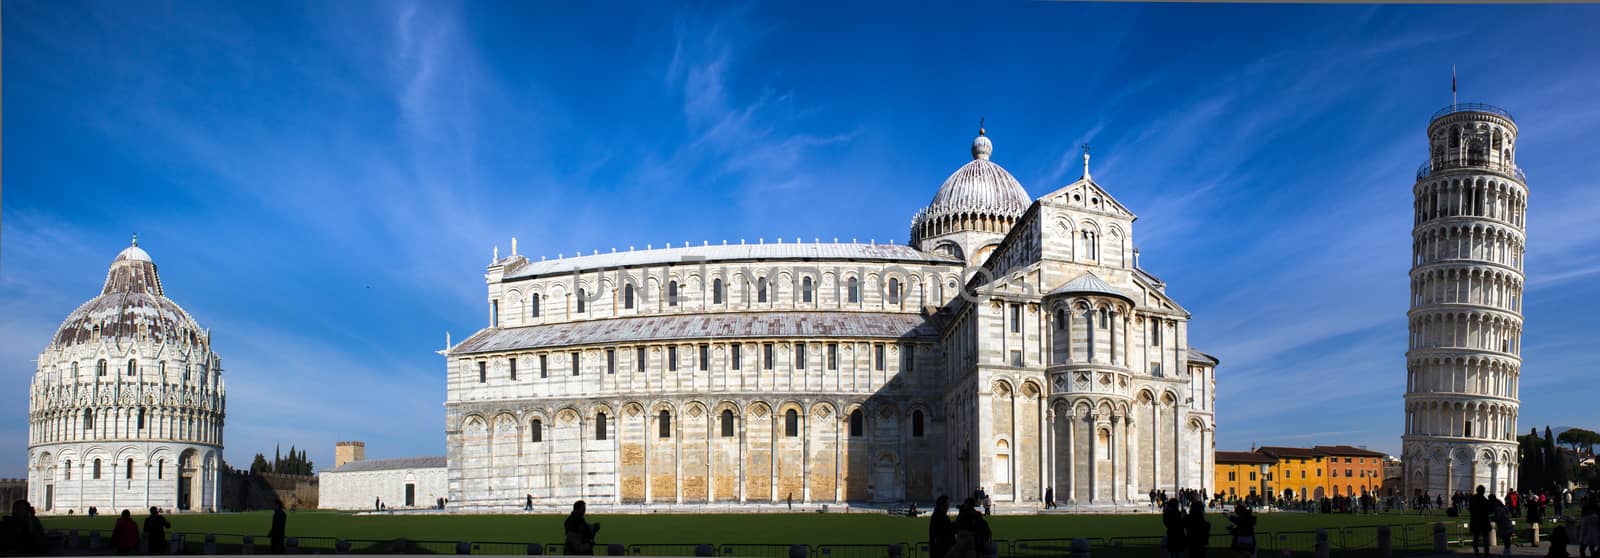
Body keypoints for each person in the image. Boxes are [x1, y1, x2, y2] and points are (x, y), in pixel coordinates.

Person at [1472, 485, 1493, 556]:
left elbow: (1470, 509)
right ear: (1483, 492)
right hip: (1484, 520)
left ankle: (1476, 551)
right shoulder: (1484, 500)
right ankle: (1486, 551)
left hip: (1475, 520)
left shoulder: (1473, 499)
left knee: (1476, 536)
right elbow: (1489, 510)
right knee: (1485, 536)